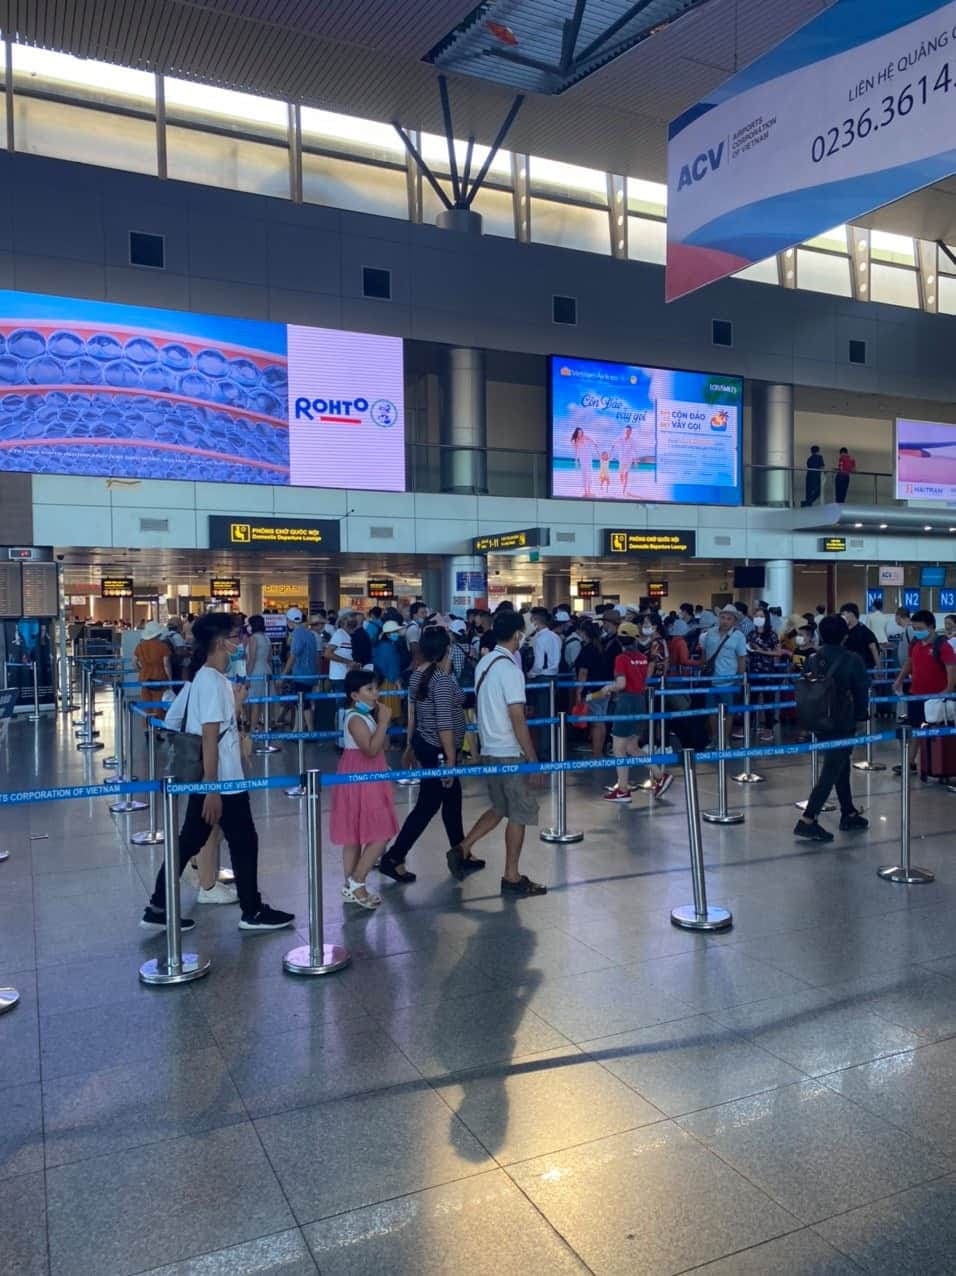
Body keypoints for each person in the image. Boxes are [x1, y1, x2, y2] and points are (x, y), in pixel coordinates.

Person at [142, 612, 294, 932]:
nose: (241, 642)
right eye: (236, 636)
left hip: (217, 777)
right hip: (222, 781)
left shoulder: (212, 679)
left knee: (191, 841)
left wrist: (237, 704)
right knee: (243, 841)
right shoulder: (211, 681)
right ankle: (252, 910)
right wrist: (212, 788)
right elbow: (209, 737)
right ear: (221, 642)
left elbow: (220, 728)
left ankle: (158, 906)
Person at [454, 611, 546, 896]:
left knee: (499, 807)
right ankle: (511, 876)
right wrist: (532, 759)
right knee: (519, 813)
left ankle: (462, 848)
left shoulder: (485, 662)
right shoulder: (510, 670)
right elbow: (517, 717)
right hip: (509, 751)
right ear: (517, 635)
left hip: (490, 747)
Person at [379, 627, 475, 883]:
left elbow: (413, 715)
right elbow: (444, 724)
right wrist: (451, 760)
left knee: (452, 801)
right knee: (427, 805)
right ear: (446, 650)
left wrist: (410, 745)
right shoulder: (441, 681)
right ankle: (394, 858)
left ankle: (461, 851)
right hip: (440, 751)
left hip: (426, 744)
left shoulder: (418, 675)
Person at [794, 615, 869, 842]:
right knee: (831, 769)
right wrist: (861, 716)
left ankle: (849, 812)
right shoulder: (853, 659)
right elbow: (861, 691)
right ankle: (808, 819)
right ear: (845, 635)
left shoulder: (813, 658)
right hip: (843, 721)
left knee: (840, 764)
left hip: (819, 719)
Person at [330, 669, 398, 908]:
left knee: (356, 834)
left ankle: (351, 887)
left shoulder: (366, 715)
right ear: (354, 695)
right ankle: (357, 881)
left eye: (375, 688)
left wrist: (381, 722)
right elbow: (370, 749)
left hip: (367, 775)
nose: (375, 693)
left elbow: (382, 745)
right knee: (379, 832)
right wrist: (384, 722)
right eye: (369, 689)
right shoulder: (355, 718)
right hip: (360, 777)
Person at [594, 621, 673, 802]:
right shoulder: (642, 657)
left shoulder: (621, 658)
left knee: (619, 749)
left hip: (626, 703)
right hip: (640, 701)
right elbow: (646, 678)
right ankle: (660, 776)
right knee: (632, 747)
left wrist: (608, 688)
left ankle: (622, 790)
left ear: (619, 639)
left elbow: (621, 684)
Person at [892, 609, 956, 775]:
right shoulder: (915, 643)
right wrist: (899, 679)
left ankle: (937, 765)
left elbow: (951, 670)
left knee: (934, 732)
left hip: (935, 699)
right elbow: (909, 663)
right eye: (915, 628)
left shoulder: (943, 646)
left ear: (931, 627)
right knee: (915, 729)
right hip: (916, 694)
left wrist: (947, 691)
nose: (917, 632)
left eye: (920, 629)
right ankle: (910, 763)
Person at [699, 605, 748, 738]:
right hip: (710, 680)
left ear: (734, 621)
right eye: (723, 617)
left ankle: (725, 740)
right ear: (719, 618)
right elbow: (704, 654)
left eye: (729, 618)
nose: (725, 621)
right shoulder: (710, 633)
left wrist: (739, 679)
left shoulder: (739, 636)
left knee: (729, 712)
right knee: (711, 711)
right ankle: (715, 739)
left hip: (729, 681)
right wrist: (703, 670)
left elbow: (742, 659)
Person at [746, 605, 788, 742]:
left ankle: (769, 729)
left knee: (768, 702)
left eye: (761, 616)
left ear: (767, 619)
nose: (758, 618)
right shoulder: (751, 634)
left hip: (768, 673)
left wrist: (760, 650)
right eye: (756, 616)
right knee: (751, 701)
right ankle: (748, 727)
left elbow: (778, 652)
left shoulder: (772, 634)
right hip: (752, 672)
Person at [281, 606, 319, 728]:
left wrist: (283, 675)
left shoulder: (297, 634)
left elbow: (293, 656)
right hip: (311, 674)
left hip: (301, 675)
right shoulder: (309, 633)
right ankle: (297, 730)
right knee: (300, 704)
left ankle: (310, 731)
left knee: (304, 704)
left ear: (289, 621)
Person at [134, 619, 171, 725]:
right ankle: (157, 728)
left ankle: (147, 727)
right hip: (159, 679)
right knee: (158, 705)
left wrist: (141, 670)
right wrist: (170, 679)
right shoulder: (162, 646)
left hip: (144, 679)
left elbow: (134, 662)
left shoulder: (140, 646)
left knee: (146, 705)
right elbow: (166, 664)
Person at [245, 614, 272, 737]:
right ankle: (266, 726)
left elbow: (251, 659)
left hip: (256, 671)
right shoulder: (266, 638)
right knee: (265, 701)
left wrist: (248, 677)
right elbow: (269, 658)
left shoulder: (253, 639)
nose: (248, 627)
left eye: (249, 624)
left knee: (255, 702)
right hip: (266, 670)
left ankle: (253, 728)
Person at [840, 602, 880, 670]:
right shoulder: (843, 630)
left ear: (851, 614)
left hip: (863, 668)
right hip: (847, 667)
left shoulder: (864, 631)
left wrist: (878, 667)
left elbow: (873, 648)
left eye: (843, 614)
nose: (842, 617)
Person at [570, 426, 599, 497]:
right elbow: (576, 451)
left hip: (589, 458)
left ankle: (589, 491)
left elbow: (592, 440)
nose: (580, 434)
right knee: (584, 475)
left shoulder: (585, 436)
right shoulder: (576, 441)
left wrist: (595, 444)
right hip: (582, 459)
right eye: (579, 432)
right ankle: (586, 492)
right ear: (576, 433)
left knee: (590, 475)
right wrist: (576, 460)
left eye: (581, 432)